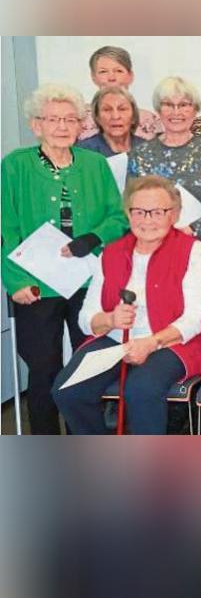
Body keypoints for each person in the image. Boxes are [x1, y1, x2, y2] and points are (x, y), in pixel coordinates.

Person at [2, 84, 128, 434]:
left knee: (85, 365)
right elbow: (5, 227)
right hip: (35, 284)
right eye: (52, 119)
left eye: (70, 119)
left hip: (87, 281)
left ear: (80, 124)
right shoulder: (15, 165)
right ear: (35, 125)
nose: (62, 126)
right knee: (43, 370)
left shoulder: (95, 164)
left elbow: (117, 217)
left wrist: (95, 237)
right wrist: (14, 281)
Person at [52, 176, 201, 434]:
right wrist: (110, 319)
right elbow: (87, 318)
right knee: (67, 390)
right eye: (139, 211)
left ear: (174, 214)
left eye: (158, 212)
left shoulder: (192, 251)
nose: (147, 220)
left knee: (141, 390)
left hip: (171, 341)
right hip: (116, 340)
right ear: (128, 214)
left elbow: (196, 317)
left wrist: (151, 343)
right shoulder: (111, 253)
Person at [127, 76, 201, 255]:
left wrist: (193, 230)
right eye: (168, 105)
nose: (176, 112)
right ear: (158, 110)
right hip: (155, 249)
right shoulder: (140, 154)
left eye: (184, 105)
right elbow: (130, 207)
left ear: (195, 111)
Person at [79, 45, 163, 140]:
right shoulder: (79, 117)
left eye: (118, 71)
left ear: (130, 76)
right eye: (103, 72)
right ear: (93, 77)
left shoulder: (150, 120)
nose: (111, 78)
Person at [77, 86, 143, 157]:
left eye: (122, 109)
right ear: (97, 117)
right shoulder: (84, 151)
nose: (115, 116)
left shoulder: (146, 148)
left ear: (133, 116)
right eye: (107, 110)